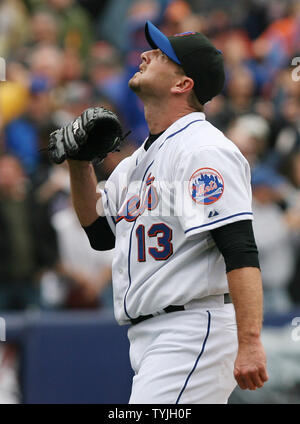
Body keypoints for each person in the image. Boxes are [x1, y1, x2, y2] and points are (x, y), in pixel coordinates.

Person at [51, 21, 268, 403]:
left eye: (161, 53)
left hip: (191, 327)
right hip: (154, 335)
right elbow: (100, 233)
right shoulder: (137, 162)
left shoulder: (203, 150)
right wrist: (79, 164)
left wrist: (250, 342)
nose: (145, 54)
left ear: (182, 84)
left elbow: (239, 249)